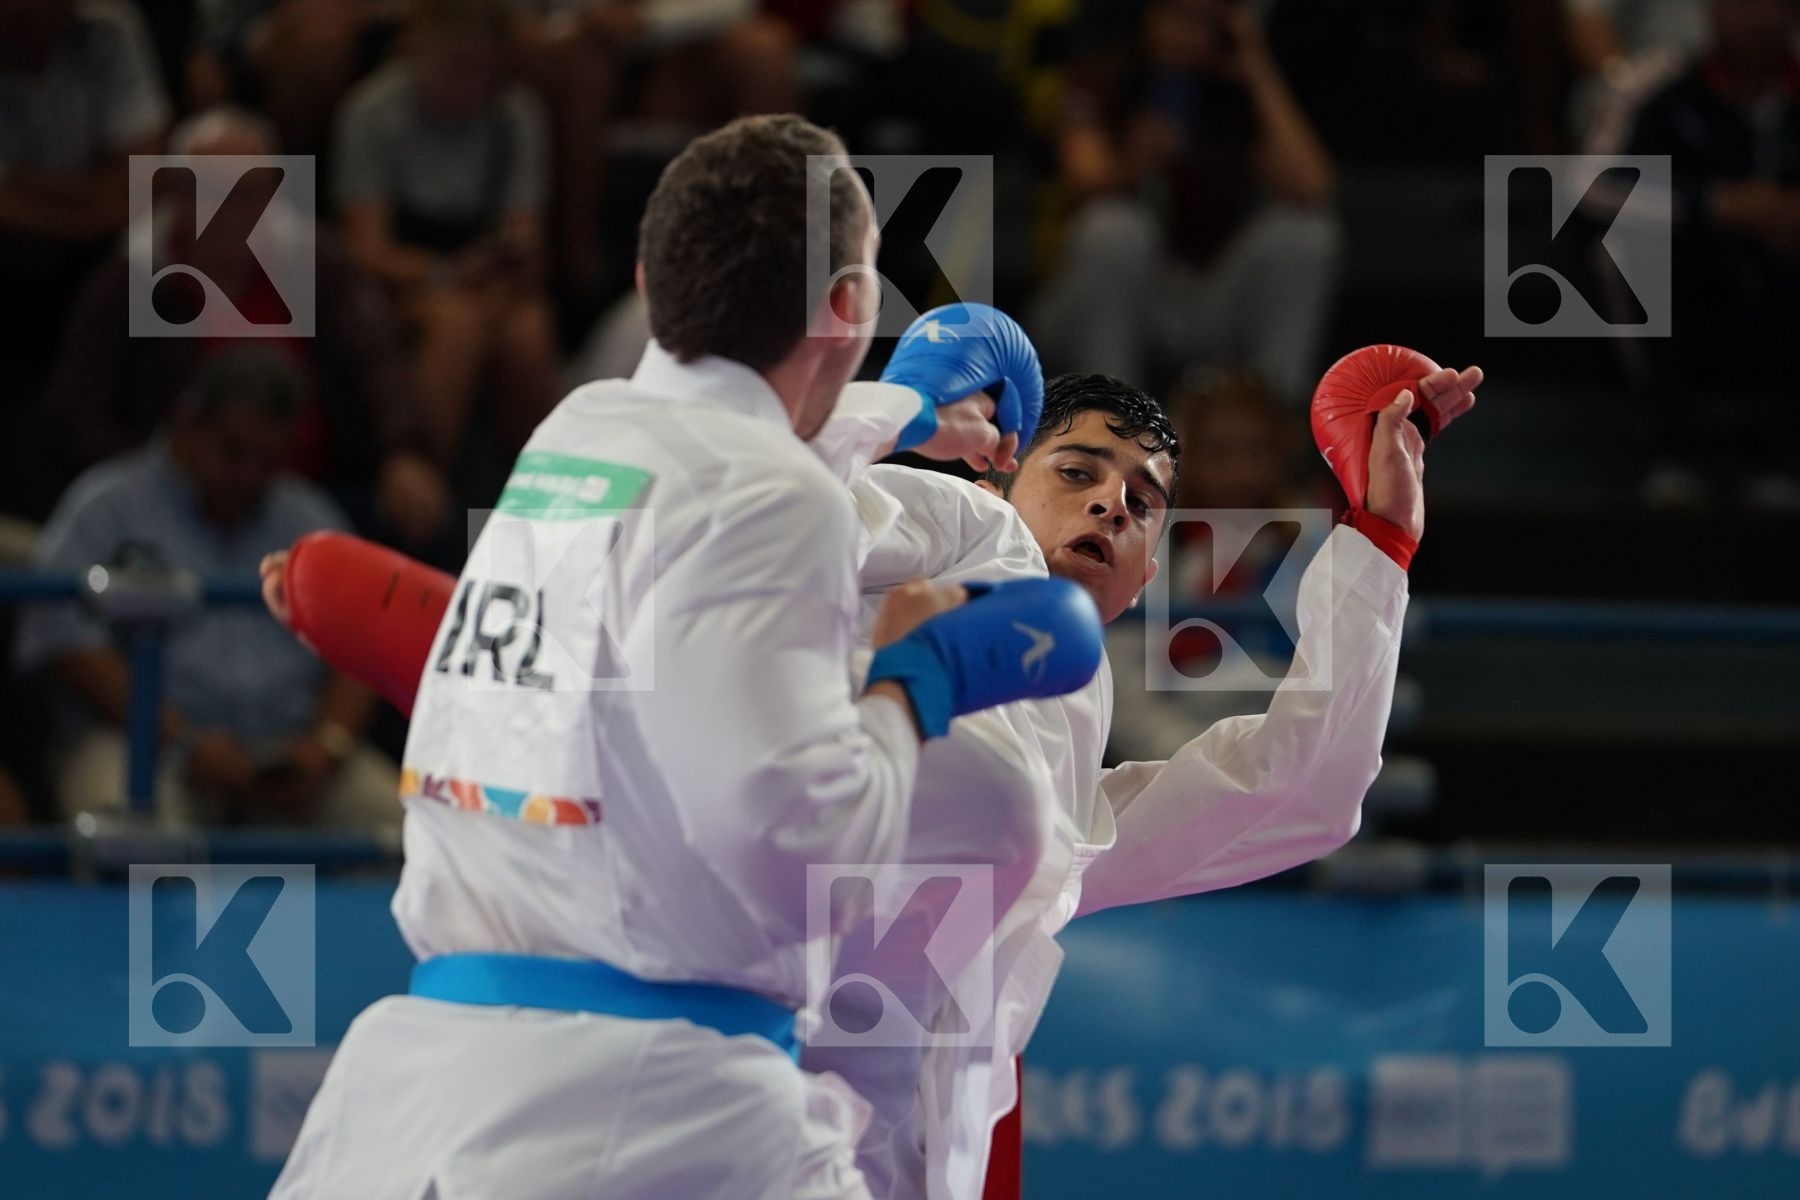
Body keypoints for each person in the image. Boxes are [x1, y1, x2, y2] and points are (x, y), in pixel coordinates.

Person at [264, 347, 1481, 1199]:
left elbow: (1305, 789)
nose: (1115, 501)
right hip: (731, 1032)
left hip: (921, 1141)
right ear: (1002, 470)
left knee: (1014, 825)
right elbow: (771, 516)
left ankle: (542, 693)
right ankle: (579, 689)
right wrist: (889, 417)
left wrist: (1376, 540)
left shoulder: (1065, 820)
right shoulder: (953, 527)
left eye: (1146, 500)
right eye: (1082, 468)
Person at [269, 114, 1098, 1199]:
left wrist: (894, 408)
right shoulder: (775, 492)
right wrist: (912, 680)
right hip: (653, 1112)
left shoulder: (574, 435)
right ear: (852, 309)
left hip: (412, 1086)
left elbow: (718, 459)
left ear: (648, 280)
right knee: (998, 802)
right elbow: (801, 837)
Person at [14, 348, 398, 831]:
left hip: (288, 752)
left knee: (410, 838)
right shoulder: (105, 506)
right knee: (130, 842)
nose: (248, 474)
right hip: (141, 744)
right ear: (188, 422)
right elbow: (66, 644)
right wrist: (183, 740)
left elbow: (362, 646)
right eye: (232, 451)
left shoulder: (308, 518)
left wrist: (327, 746)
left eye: (267, 458)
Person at [47, 107, 452, 552]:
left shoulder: (317, 265)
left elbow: (377, 361)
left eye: (248, 192)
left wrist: (402, 452)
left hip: (318, 492)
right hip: (175, 500)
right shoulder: (130, 281)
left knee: (427, 526)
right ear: (177, 194)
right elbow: (79, 413)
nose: (230, 210)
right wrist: (171, 474)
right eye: (211, 190)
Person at [1030, 0, 1341, 403]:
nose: (1188, 33)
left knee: (1306, 235)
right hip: (1093, 302)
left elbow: (1313, 186)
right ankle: (1111, 420)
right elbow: (1085, 181)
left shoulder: (1241, 90)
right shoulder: (1097, 78)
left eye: (1204, 21)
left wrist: (1256, 65)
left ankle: (1272, 425)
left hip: (1205, 301)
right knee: (1113, 228)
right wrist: (1131, 164)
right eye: (1177, 15)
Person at [333, 0, 562, 490]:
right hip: (402, 283)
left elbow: (524, 233)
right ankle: (419, 492)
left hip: (486, 281)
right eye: (454, 67)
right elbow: (364, 249)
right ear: (418, 53)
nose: (469, 84)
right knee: (457, 326)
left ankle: (547, 506)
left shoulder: (515, 115)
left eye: (481, 69)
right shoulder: (372, 112)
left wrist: (508, 260)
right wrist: (448, 273)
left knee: (528, 336)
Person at [1616, 0, 1800, 508]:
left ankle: (1787, 456)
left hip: (1786, 283)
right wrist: (1711, 207)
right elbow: (1589, 189)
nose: (1756, 17)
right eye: (1740, 4)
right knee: (1632, 247)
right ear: (1712, 10)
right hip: (1694, 283)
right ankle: (1673, 449)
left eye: (1771, 5)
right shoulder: (1660, 83)